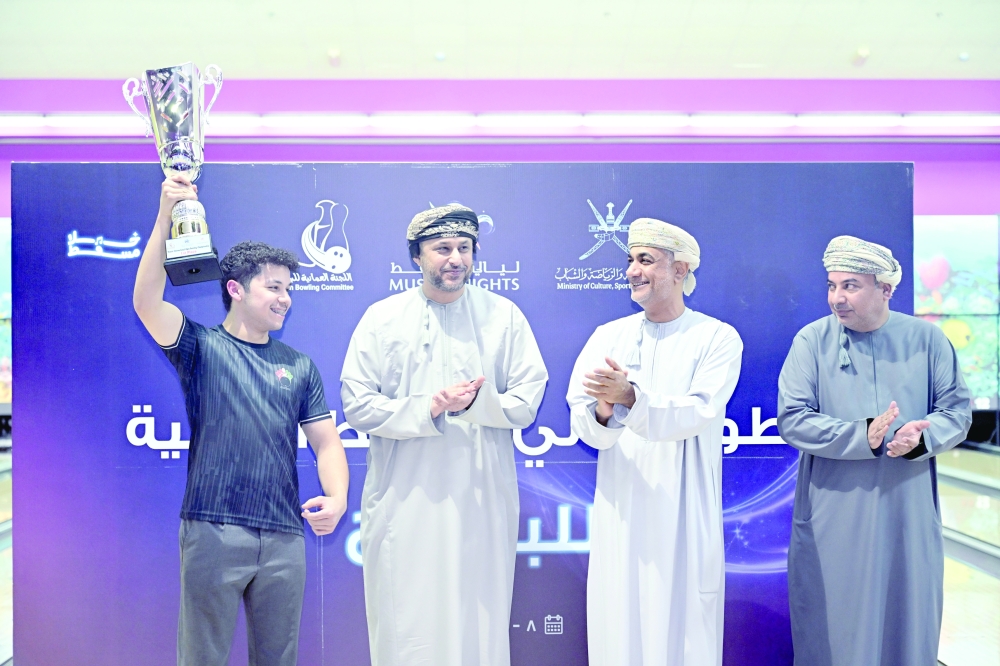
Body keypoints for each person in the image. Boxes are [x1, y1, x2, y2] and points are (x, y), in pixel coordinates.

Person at [133, 174, 349, 666]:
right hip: (213, 529)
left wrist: (338, 498)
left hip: (283, 534)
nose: (285, 298)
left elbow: (327, 443)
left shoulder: (299, 365)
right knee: (202, 658)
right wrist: (167, 213)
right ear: (235, 288)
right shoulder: (201, 346)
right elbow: (146, 302)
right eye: (273, 287)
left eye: (288, 288)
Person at [341, 204, 548, 666]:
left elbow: (527, 400)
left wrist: (477, 403)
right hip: (405, 498)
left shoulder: (504, 316)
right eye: (442, 249)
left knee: (479, 619)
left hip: (481, 498)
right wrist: (430, 407)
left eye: (464, 248)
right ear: (416, 256)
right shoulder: (382, 318)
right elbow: (357, 403)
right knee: (407, 619)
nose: (455, 258)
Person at [777, 235, 972, 666]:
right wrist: (861, 435)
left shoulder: (927, 340)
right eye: (831, 286)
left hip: (906, 507)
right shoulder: (811, 342)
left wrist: (920, 438)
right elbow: (792, 418)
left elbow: (956, 413)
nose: (836, 298)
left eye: (850, 286)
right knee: (833, 628)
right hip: (834, 511)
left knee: (906, 618)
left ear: (885, 289)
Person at [566, 218, 743, 666]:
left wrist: (629, 396)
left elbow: (699, 411)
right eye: (630, 260)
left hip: (684, 508)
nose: (632, 271)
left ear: (681, 270)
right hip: (623, 507)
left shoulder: (717, 337)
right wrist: (605, 409)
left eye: (646, 260)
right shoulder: (608, 337)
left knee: (683, 627)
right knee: (619, 622)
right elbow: (583, 420)